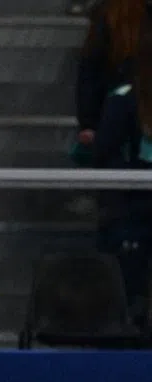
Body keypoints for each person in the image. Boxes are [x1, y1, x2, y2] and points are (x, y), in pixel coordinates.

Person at [91, 29, 152, 324]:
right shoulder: (125, 98)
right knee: (127, 301)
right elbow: (104, 152)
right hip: (130, 216)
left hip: (131, 216)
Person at [77, 0, 150, 151]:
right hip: (128, 105)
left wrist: (88, 122)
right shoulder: (113, 16)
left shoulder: (111, 14)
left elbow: (90, 71)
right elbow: (91, 70)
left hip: (121, 105)